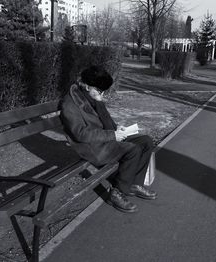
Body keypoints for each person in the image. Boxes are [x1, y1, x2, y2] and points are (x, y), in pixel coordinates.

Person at [60, 65, 157, 213]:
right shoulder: (69, 103)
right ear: (87, 86)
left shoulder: (91, 96)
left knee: (146, 141)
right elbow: (80, 133)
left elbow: (105, 121)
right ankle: (117, 193)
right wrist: (112, 135)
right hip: (92, 147)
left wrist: (117, 129)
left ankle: (134, 184)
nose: (102, 95)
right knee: (133, 149)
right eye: (100, 91)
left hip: (105, 139)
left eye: (103, 92)